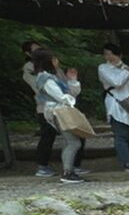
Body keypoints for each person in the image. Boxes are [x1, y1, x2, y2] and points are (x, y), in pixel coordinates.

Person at [30, 50, 87, 183]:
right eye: (54, 59)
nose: (57, 62)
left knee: (71, 141)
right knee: (73, 142)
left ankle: (69, 171)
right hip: (57, 111)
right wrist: (69, 100)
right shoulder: (45, 78)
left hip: (58, 111)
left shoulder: (50, 76)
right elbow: (60, 96)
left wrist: (72, 81)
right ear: (47, 61)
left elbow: (70, 93)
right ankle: (67, 173)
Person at [97, 43, 129, 172]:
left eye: (112, 53)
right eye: (106, 54)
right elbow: (117, 82)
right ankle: (127, 162)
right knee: (121, 134)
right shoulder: (103, 68)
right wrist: (125, 71)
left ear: (119, 54)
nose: (109, 57)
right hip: (116, 104)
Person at [22, 40, 62, 176]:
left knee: (74, 135)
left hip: (60, 106)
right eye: (35, 50)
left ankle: (74, 164)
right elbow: (39, 88)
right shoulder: (30, 69)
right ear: (28, 53)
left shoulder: (52, 68)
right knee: (47, 135)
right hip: (45, 107)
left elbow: (64, 83)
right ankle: (42, 165)